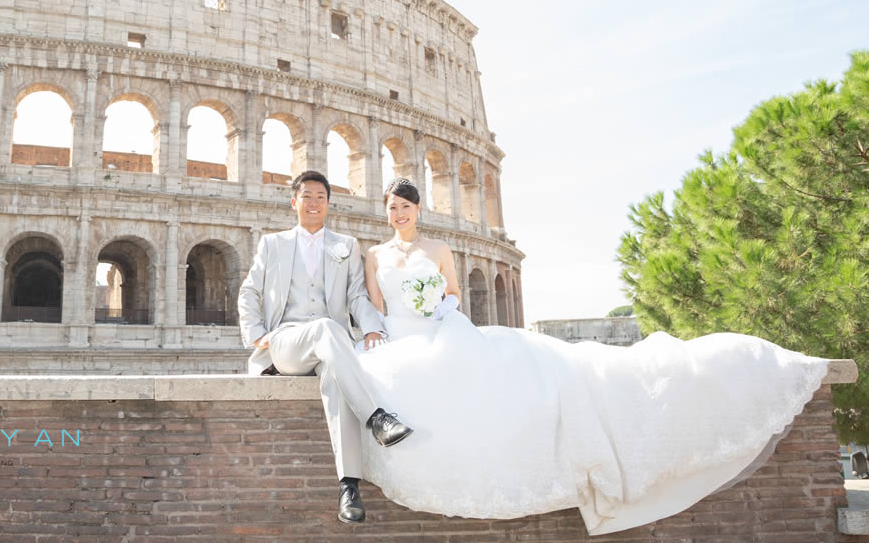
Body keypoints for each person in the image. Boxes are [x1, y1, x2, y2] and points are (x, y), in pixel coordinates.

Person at [354, 177, 831, 535]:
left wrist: (439, 306)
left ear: (418, 208)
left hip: (442, 329)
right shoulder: (374, 255)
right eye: (392, 208)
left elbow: (454, 292)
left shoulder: (439, 248)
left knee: (504, 387)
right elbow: (376, 306)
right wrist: (381, 334)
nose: (399, 214)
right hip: (399, 336)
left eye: (405, 206)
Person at [237, 170, 415, 524]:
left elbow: (357, 297)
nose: (314, 202)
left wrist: (371, 330)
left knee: (336, 378)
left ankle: (349, 488)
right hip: (286, 342)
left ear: (329, 203)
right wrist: (257, 334)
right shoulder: (272, 243)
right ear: (294, 202)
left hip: (329, 344)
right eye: (307, 196)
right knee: (326, 329)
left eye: (320, 196)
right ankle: (377, 418)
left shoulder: (345, 245)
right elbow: (249, 291)